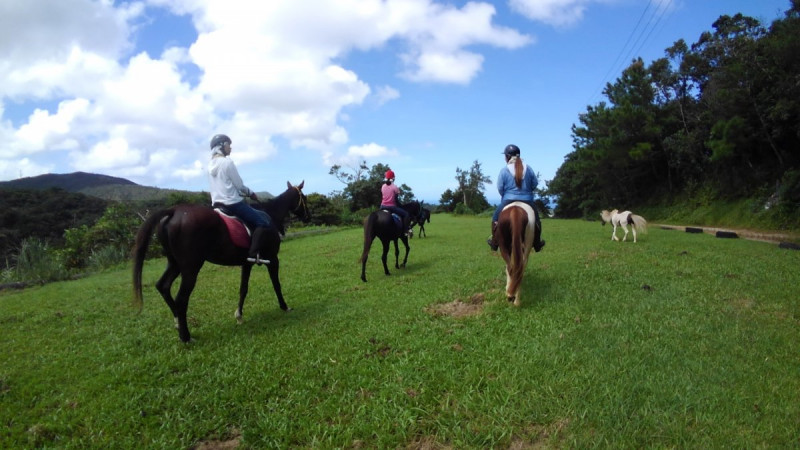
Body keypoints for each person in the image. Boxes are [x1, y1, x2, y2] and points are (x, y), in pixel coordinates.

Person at [208, 134, 274, 265]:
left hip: (217, 205)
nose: (230, 148)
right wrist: (251, 193)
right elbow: (239, 185)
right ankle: (253, 254)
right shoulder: (227, 162)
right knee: (262, 222)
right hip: (233, 203)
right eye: (228, 145)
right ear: (221, 146)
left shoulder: (210, 166)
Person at [487, 144, 545, 252]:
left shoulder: (504, 170)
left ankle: (494, 242)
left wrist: (505, 195)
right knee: (536, 220)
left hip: (508, 199)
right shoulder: (528, 168)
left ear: (507, 157)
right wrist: (527, 191)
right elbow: (535, 184)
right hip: (527, 200)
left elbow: (500, 187)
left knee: (495, 218)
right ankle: (537, 242)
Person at [380, 169, 411, 235]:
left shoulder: (383, 186)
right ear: (393, 178)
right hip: (391, 207)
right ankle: (406, 231)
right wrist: (401, 206)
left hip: (382, 206)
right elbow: (396, 200)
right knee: (406, 214)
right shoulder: (395, 187)